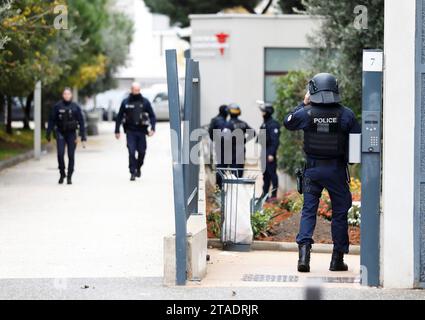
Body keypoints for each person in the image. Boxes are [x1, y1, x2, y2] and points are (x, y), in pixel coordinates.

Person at [283, 73, 361, 273]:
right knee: (340, 214)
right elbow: (355, 150)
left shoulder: (306, 113)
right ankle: (337, 260)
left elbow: (288, 122)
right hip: (336, 171)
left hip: (313, 170)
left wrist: (303, 103)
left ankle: (304, 258)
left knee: (309, 210)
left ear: (313, 90)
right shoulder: (346, 115)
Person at [115, 82, 156, 181]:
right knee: (131, 151)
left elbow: (152, 115)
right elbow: (119, 116)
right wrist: (117, 130)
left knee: (142, 152)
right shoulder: (125, 102)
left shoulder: (145, 102)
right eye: (135, 90)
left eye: (138, 90)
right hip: (130, 131)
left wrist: (153, 128)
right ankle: (132, 172)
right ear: (131, 90)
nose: (136, 92)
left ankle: (138, 167)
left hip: (142, 131)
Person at [46, 87, 86, 185]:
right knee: (60, 154)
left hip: (72, 134)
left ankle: (69, 176)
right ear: (62, 95)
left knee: (71, 155)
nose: (67, 96)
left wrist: (83, 136)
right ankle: (62, 173)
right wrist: (48, 132)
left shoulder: (75, 106)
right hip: (60, 132)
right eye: (65, 94)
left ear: (71, 95)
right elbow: (52, 120)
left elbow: (81, 121)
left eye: (68, 94)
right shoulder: (57, 106)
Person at [259, 103, 281, 201]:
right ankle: (265, 195)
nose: (262, 113)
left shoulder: (273, 124)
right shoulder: (265, 123)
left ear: (267, 112)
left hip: (269, 152)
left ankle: (274, 195)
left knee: (272, 173)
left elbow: (275, 140)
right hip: (264, 151)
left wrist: (271, 153)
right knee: (265, 174)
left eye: (263, 111)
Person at [226, 103, 254, 178]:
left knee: (233, 172)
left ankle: (234, 187)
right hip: (241, 149)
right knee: (240, 170)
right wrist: (245, 140)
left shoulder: (228, 124)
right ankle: (239, 186)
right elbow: (253, 133)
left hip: (232, 150)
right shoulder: (243, 123)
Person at [208, 105, 229, 189]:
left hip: (218, 145)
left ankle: (219, 187)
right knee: (222, 166)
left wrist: (215, 140)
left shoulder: (214, 120)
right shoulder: (221, 121)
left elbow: (210, 132)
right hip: (224, 146)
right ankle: (220, 187)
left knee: (220, 165)